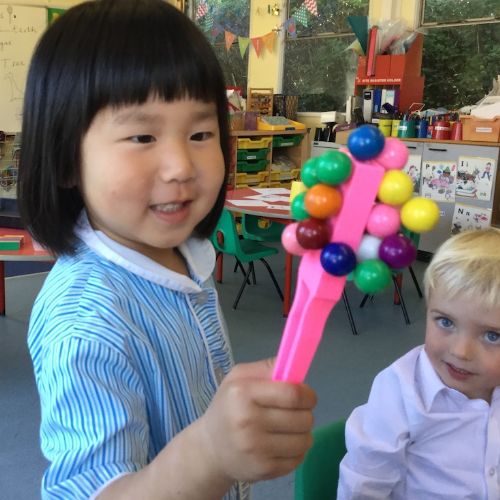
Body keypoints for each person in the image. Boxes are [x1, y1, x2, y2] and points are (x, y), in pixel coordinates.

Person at [17, 2, 317, 499]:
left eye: (200, 134)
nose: (181, 166)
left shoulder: (185, 251)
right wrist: (209, 453)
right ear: (66, 158)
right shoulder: (85, 321)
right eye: (142, 136)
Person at [337, 228, 500, 499]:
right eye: (445, 322)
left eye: (493, 336)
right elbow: (365, 484)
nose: (461, 352)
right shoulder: (400, 391)